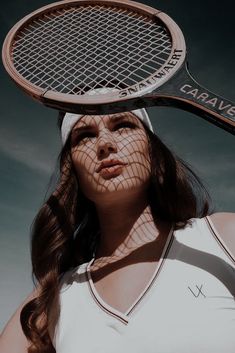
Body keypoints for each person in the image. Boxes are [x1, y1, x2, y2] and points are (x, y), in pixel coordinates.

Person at [0, 107, 235, 353]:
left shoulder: (221, 238)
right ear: (73, 170)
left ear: (151, 151)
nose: (105, 143)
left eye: (123, 125)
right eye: (85, 136)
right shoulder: (58, 294)